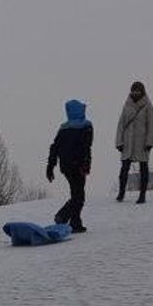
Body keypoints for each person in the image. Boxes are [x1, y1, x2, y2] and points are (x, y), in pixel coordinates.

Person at [46, 99, 93, 233]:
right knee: (79, 195)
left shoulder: (63, 128)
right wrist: (86, 163)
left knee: (76, 193)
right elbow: (86, 147)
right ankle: (63, 216)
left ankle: (75, 222)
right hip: (78, 165)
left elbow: (54, 147)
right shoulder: (87, 126)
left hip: (66, 166)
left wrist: (51, 165)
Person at [116, 81, 153, 204]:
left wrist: (149, 142)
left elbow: (151, 126)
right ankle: (121, 193)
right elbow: (121, 124)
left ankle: (142, 195)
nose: (135, 93)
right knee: (124, 169)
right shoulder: (126, 105)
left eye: (138, 91)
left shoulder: (148, 106)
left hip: (142, 142)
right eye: (133, 90)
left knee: (143, 168)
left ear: (142, 91)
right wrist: (119, 142)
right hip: (128, 141)